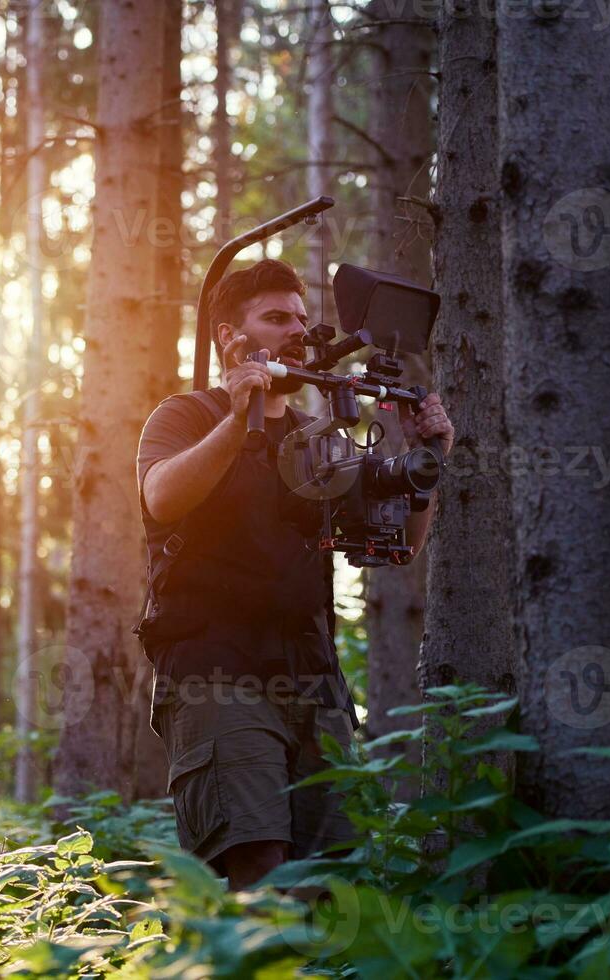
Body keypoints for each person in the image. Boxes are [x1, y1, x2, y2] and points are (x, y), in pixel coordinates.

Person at [134, 258, 455, 890]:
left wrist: (428, 462)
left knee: (333, 877)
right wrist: (237, 418)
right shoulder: (184, 417)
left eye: (302, 319)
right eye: (276, 318)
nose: (296, 331)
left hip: (312, 680)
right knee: (258, 863)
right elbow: (161, 499)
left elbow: (397, 547)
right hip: (215, 672)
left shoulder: (321, 438)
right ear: (230, 336)